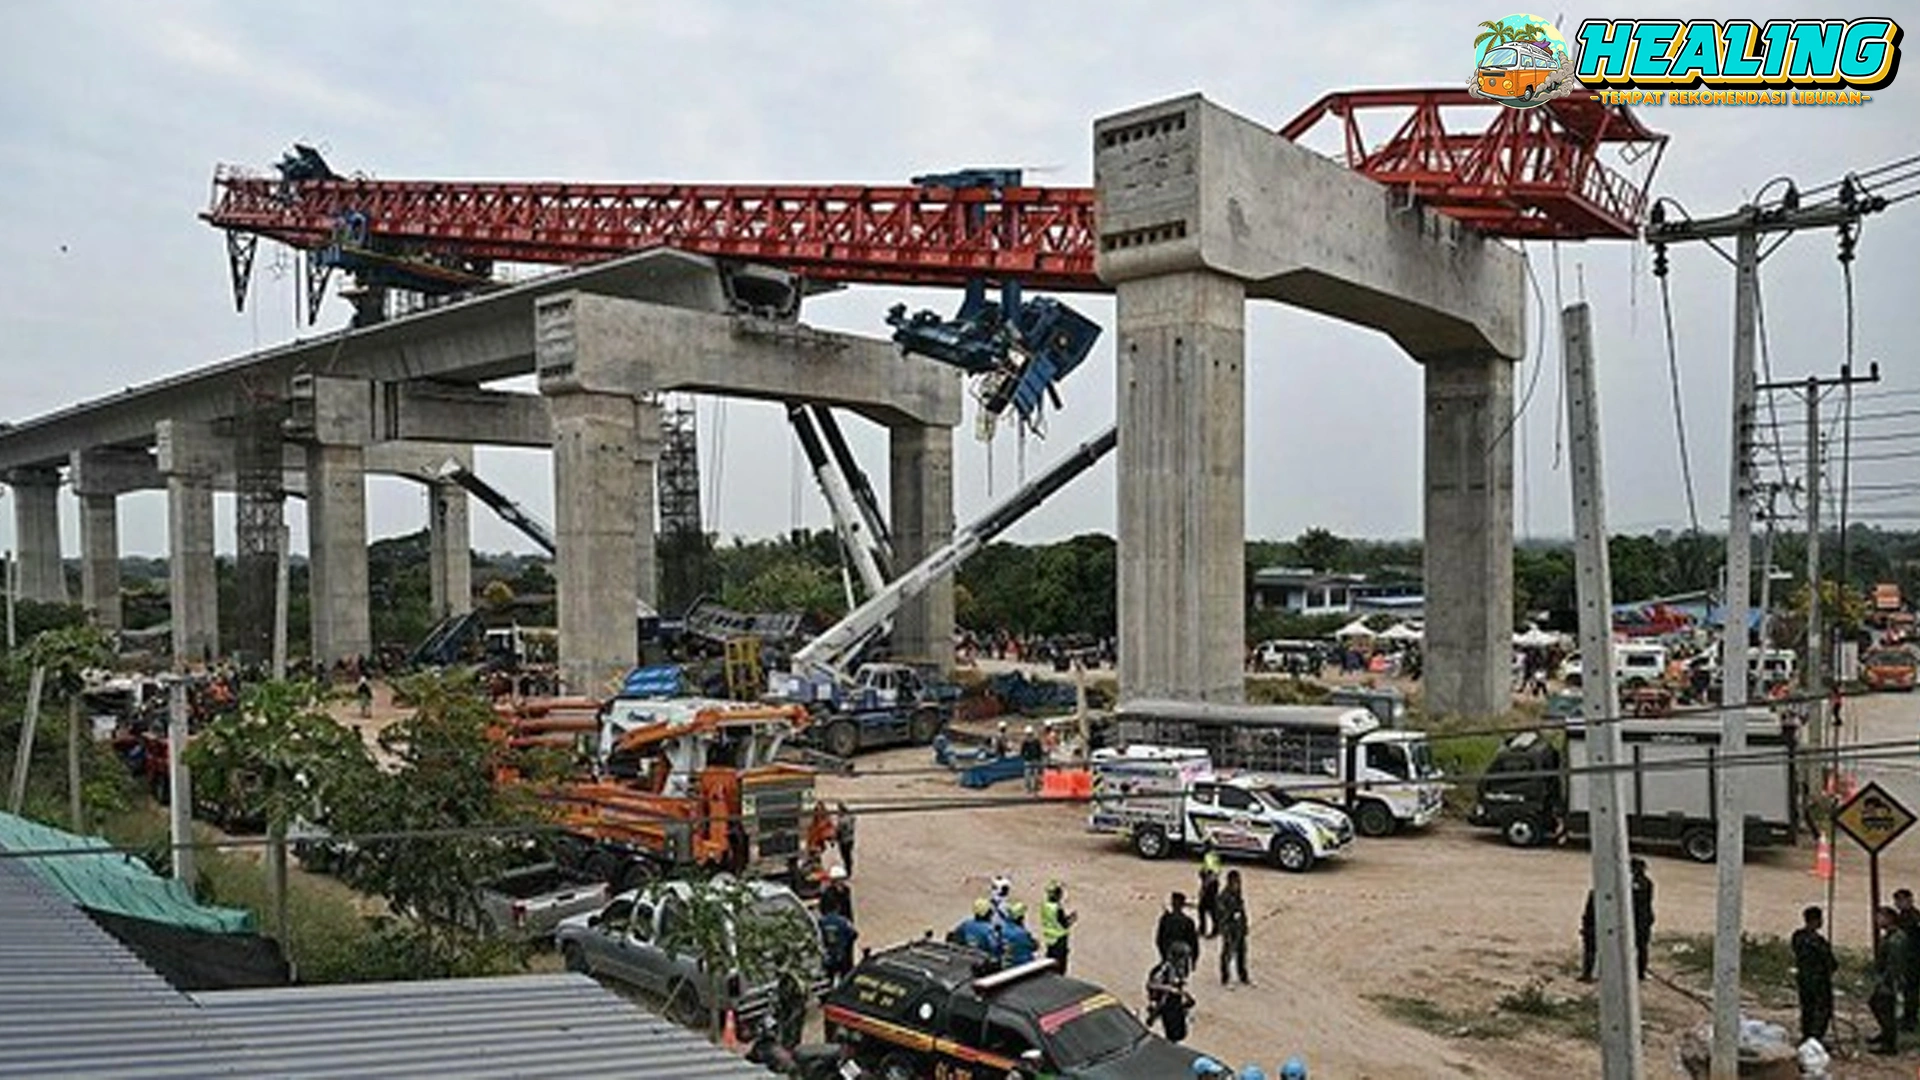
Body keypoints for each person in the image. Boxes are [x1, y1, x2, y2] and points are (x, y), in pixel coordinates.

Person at [1791, 905, 1836, 1045]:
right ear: (1816, 921)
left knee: (1807, 1008)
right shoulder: (1818, 942)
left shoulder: (1798, 936)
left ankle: (1807, 1035)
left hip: (1803, 978)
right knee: (1822, 1009)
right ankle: (1815, 1038)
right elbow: (1830, 962)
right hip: (1819, 980)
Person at [1872, 905, 1908, 1054]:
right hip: (1886, 979)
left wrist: (1886, 982)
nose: (1877, 921)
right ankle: (1886, 1035)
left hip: (1890, 981)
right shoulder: (1890, 936)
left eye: (1880, 917)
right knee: (1879, 1005)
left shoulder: (1895, 939)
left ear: (1889, 919)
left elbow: (1894, 964)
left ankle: (1889, 1043)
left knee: (1884, 1008)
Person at [1145, 941, 1196, 1043]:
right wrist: (1170, 989)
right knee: (1172, 1033)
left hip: (1176, 1003)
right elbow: (1151, 984)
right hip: (1166, 1004)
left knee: (1180, 1033)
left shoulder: (1180, 969)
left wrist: (1185, 995)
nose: (1184, 961)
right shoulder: (1164, 969)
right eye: (1183, 958)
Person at [1217, 869, 1250, 986]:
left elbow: (1243, 911)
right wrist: (1231, 915)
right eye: (1235, 882)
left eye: (1239, 882)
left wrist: (1245, 926)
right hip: (1229, 928)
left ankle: (1243, 976)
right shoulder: (1223, 896)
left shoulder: (1238, 894)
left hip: (1239, 928)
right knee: (1228, 953)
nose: (1237, 884)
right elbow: (1221, 915)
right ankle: (1225, 978)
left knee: (1242, 952)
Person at [1156, 892, 1201, 975]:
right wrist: (1194, 959)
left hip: (1170, 949)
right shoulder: (1188, 921)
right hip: (1181, 950)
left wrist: (1163, 954)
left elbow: (1159, 939)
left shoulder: (1166, 919)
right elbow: (1194, 943)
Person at [1041, 880, 1077, 975]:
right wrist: (1072, 918)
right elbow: (1064, 924)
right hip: (1059, 938)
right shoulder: (1057, 909)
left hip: (1049, 938)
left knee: (1050, 961)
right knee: (1060, 965)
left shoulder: (1045, 905)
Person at [1896, 887, 1920, 1030]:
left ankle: (1910, 1019)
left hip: (1913, 959)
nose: (1898, 904)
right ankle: (1908, 1016)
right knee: (1907, 990)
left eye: (1901, 900)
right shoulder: (1904, 916)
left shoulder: (1914, 918)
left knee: (1911, 991)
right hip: (1907, 958)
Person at [952, 898, 1003, 963]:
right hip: (982, 964)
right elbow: (995, 949)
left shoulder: (965, 924)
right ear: (988, 913)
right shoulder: (990, 929)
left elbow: (955, 939)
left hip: (965, 960)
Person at [819, 907, 858, 986]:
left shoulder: (821, 922)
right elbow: (854, 934)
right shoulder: (843, 921)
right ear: (837, 909)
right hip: (842, 954)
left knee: (829, 979)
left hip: (828, 956)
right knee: (846, 979)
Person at [1630, 858, 1655, 980]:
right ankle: (1641, 972)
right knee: (1642, 947)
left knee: (1633, 946)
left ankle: (1635, 970)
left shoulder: (1627, 883)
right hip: (1644, 918)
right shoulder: (1648, 882)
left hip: (1635, 919)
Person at [1197, 844, 1223, 938]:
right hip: (1214, 885)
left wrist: (1204, 888)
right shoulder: (1215, 856)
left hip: (1210, 885)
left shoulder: (1208, 857)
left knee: (1205, 908)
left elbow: (1210, 873)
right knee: (1209, 908)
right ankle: (1211, 928)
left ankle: (1208, 929)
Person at [1002, 901, 1039, 966]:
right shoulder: (1020, 933)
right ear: (1019, 917)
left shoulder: (1004, 927)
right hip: (1021, 963)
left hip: (1008, 963)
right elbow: (1034, 946)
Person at [1020, 726, 1046, 793]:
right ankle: (1033, 788)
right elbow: (1040, 751)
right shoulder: (1033, 741)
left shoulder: (1027, 741)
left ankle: (1030, 788)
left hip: (1030, 760)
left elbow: (1022, 752)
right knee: (1032, 775)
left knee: (1030, 775)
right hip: (1033, 759)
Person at [834, 801, 856, 875]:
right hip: (850, 839)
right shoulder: (850, 817)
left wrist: (834, 839)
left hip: (844, 840)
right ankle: (848, 867)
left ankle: (848, 869)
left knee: (845, 855)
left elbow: (838, 831)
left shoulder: (842, 820)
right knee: (848, 854)